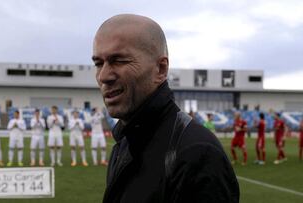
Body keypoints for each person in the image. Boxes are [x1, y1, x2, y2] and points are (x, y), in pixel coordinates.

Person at [92, 14, 239, 202]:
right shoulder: (124, 142)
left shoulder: (196, 153)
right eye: (98, 63)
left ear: (160, 69)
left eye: (119, 61)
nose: (103, 76)